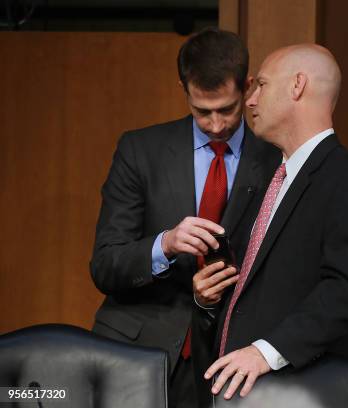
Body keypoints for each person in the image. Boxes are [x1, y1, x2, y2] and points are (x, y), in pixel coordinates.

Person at [89, 28, 279, 408]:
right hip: (138, 352)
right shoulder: (140, 150)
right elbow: (105, 265)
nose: (215, 124)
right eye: (201, 111)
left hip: (230, 358)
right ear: (183, 87)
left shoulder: (275, 160)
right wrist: (165, 244)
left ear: (247, 86)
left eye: (227, 109)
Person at [195, 44, 348, 401]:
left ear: (297, 85)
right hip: (240, 391)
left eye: (262, 85)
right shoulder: (267, 178)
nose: (250, 101)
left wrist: (265, 352)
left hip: (303, 393)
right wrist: (209, 298)